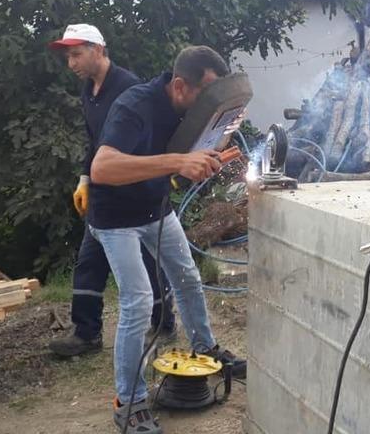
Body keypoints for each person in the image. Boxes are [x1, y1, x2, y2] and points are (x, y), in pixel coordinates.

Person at [89, 45, 246, 433]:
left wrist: (207, 158)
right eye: (206, 96)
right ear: (179, 86)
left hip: (155, 209)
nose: (209, 106)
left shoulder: (187, 112)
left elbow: (178, 163)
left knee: (188, 278)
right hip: (116, 218)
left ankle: (205, 348)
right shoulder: (134, 106)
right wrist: (178, 162)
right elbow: (102, 168)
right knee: (140, 301)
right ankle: (129, 399)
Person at [47, 24, 177, 358]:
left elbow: (149, 138)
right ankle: (86, 333)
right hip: (104, 195)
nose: (71, 63)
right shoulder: (89, 90)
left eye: (77, 54)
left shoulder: (129, 88)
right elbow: (96, 142)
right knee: (89, 261)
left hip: (137, 195)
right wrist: (84, 177)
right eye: (68, 56)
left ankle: (163, 323)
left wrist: (164, 171)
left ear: (98, 50)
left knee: (149, 261)